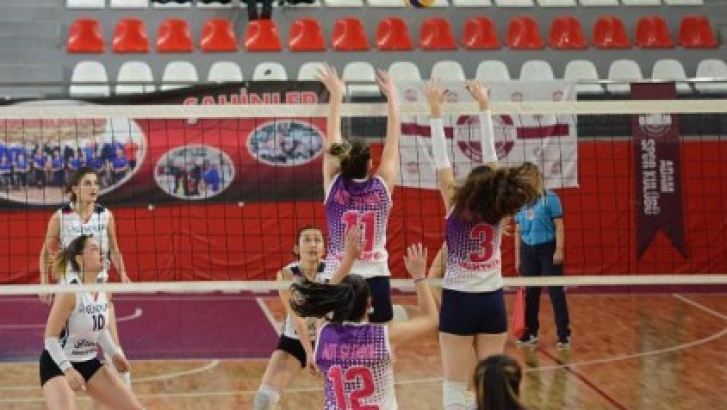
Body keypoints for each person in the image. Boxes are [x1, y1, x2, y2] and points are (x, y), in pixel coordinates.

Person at [425, 78, 541, 410]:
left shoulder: (453, 204)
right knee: (492, 388)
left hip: (459, 302)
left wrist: (435, 111)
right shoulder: (498, 211)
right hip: (491, 302)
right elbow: (492, 161)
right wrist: (485, 106)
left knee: (454, 389)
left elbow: (442, 163)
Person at [290, 243, 438, 410]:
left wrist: (348, 260)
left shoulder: (325, 333)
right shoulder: (382, 336)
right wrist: (419, 275)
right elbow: (431, 318)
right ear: (369, 303)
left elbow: (326, 297)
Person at [318, 63, 400, 324]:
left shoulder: (334, 183)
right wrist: (393, 97)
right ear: (370, 164)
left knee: (334, 333)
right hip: (376, 275)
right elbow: (393, 141)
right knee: (379, 336)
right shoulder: (382, 186)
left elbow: (332, 137)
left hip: (338, 274)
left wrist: (337, 95)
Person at [38, 167, 133, 389]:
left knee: (114, 349)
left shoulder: (105, 215)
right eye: (88, 183)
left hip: (99, 289)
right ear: (75, 188)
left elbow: (114, 250)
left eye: (96, 183)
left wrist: (123, 273)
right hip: (71, 292)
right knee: (61, 344)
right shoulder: (61, 216)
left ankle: (126, 398)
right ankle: (62, 385)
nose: (94, 187)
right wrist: (44, 283)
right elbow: (45, 252)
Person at [253, 226, 362, 410]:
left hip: (330, 340)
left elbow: (326, 310)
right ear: (296, 248)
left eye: (317, 240)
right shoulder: (286, 275)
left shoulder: (334, 270)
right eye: (307, 240)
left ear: (323, 248)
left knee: (352, 397)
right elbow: (298, 317)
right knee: (263, 400)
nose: (313, 244)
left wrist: (350, 259)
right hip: (295, 341)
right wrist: (310, 352)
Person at [40, 235, 144, 410]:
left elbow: (99, 329)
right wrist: (68, 370)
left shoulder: (105, 290)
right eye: (94, 249)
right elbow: (50, 338)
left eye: (100, 248)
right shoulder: (69, 293)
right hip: (58, 364)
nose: (102, 253)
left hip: (88, 362)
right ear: (80, 259)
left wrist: (113, 354)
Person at [514, 162, 571, 348]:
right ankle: (531, 333)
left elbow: (559, 225)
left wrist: (559, 249)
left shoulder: (550, 198)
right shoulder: (519, 202)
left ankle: (564, 334)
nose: (523, 182)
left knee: (555, 293)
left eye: (526, 178)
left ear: (535, 178)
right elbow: (517, 231)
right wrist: (517, 257)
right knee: (531, 293)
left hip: (548, 248)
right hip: (527, 250)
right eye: (521, 179)